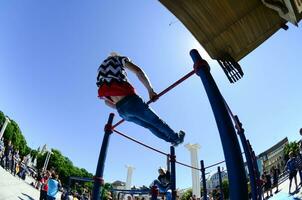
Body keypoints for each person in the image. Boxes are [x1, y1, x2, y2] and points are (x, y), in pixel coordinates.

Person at [97, 52, 185, 146]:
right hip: (130, 101)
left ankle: (171, 141)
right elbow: (138, 72)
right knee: (156, 121)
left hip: (122, 111)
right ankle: (176, 138)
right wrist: (150, 91)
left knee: (149, 126)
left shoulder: (100, 72)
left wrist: (122, 107)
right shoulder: (118, 59)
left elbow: (106, 102)